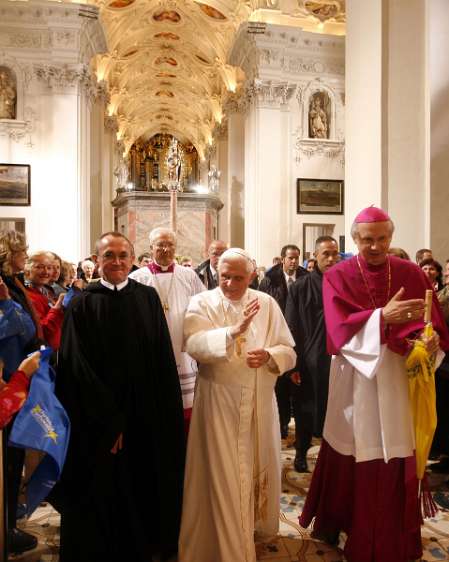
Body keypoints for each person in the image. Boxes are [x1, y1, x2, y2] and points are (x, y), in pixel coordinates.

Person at [299, 206, 449, 562]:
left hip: (398, 377)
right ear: (355, 240)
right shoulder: (338, 275)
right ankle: (348, 522)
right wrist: (384, 317)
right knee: (356, 447)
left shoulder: (411, 273)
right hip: (356, 377)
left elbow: (434, 325)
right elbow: (338, 331)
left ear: (391, 237)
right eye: (368, 240)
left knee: (396, 448)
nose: (376, 246)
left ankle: (393, 533)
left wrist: (430, 343)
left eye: (383, 239)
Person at [54, 232, 186, 562]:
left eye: (123, 255)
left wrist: (164, 413)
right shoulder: (83, 303)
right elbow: (76, 365)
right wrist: (109, 421)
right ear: (97, 261)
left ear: (132, 259)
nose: (116, 262)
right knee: (102, 492)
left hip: (144, 415)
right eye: (109, 255)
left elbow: (161, 358)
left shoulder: (147, 298)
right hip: (97, 420)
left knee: (143, 484)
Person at [179, 248, 296, 562]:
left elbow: (289, 350)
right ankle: (226, 543)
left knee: (255, 468)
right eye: (224, 276)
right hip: (219, 402)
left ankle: (251, 530)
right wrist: (232, 332)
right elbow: (193, 344)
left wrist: (271, 355)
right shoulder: (201, 302)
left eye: (238, 277)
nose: (229, 283)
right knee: (223, 474)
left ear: (252, 276)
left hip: (259, 402)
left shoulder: (268, 304)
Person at [130, 228, 204, 432]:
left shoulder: (189, 275)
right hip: (151, 348)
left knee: (185, 409)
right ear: (151, 248)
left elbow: (203, 306)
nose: (165, 249)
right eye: (160, 244)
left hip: (183, 349)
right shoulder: (137, 277)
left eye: (170, 244)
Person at [285, 236, 339, 472]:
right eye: (325, 253)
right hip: (308, 359)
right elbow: (291, 324)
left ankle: (332, 457)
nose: (330, 258)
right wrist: (294, 364)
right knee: (305, 408)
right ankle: (301, 453)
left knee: (336, 409)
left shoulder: (342, 284)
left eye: (334, 253)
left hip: (338, 359)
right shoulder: (299, 287)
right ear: (314, 255)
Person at [259, 244, 307, 438]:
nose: (294, 261)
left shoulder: (305, 277)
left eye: (297, 257)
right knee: (280, 387)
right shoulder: (270, 279)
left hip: (300, 340)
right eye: (290, 258)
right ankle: (282, 424)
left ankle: (302, 426)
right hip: (277, 339)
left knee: (299, 386)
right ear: (282, 259)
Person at [24, 252, 64, 351]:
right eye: (40, 267)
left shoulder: (45, 291)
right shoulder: (28, 296)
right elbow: (42, 331)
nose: (46, 272)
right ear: (27, 270)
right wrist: (57, 309)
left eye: (49, 267)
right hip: (43, 355)